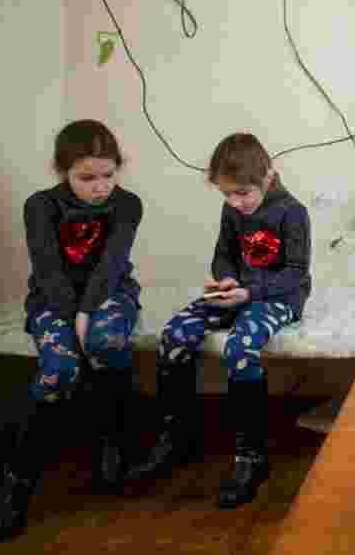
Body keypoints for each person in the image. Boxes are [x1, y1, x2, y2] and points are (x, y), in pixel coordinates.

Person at [127, 133, 311, 508]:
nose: (235, 202)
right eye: (227, 195)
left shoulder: (293, 212)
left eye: (243, 193)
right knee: (175, 335)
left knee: (240, 346)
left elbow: (296, 272)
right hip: (236, 292)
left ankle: (251, 456)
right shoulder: (232, 209)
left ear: (268, 176)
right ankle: (177, 437)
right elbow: (223, 256)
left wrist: (250, 292)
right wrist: (225, 279)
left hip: (278, 296)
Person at [0, 120, 143, 542]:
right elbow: (48, 269)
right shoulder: (40, 206)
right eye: (86, 178)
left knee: (106, 342)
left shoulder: (128, 205)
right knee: (59, 369)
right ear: (62, 172)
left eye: (108, 175)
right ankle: (18, 482)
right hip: (53, 299)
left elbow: (112, 264)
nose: (99, 187)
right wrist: (71, 312)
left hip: (109, 293)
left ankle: (115, 443)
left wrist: (88, 312)